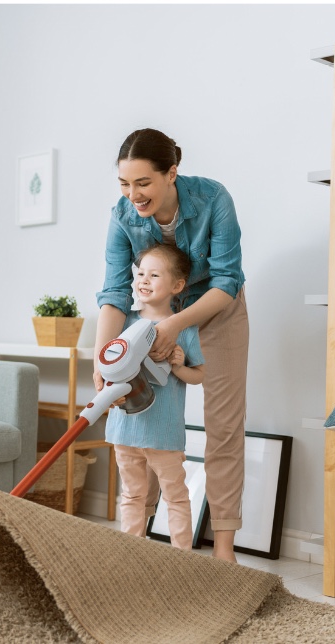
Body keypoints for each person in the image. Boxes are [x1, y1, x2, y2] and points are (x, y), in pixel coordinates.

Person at [95, 128, 248, 562]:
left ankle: (222, 551)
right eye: (125, 184)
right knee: (141, 423)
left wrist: (174, 326)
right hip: (149, 317)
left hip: (216, 309)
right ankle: (137, 545)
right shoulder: (122, 216)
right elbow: (113, 291)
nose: (133, 195)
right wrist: (102, 352)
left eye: (143, 183)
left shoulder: (213, 199)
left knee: (223, 425)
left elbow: (226, 282)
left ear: (171, 173)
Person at [105, 243, 204, 550]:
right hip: (125, 428)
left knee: (174, 495)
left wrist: (178, 366)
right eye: (141, 273)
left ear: (177, 285)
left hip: (163, 432)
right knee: (132, 495)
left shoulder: (184, 330)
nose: (143, 280)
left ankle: (182, 559)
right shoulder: (124, 322)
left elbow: (199, 375)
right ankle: (132, 555)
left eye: (154, 275)